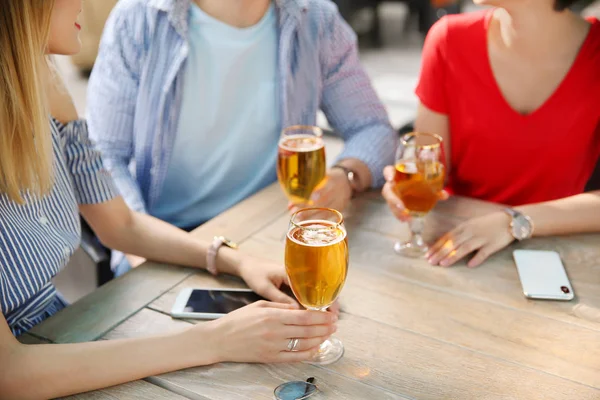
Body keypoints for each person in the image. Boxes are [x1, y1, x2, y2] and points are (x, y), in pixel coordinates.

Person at [0, 2, 338, 398]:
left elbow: (120, 225)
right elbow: (10, 373)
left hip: (61, 338)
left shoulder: (45, 86)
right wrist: (215, 341)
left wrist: (235, 260)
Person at [86, 0, 397, 276]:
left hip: (270, 233)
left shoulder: (315, 19)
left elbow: (373, 127)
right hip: (166, 240)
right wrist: (138, 248)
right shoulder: (139, 18)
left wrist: (345, 175)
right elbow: (103, 157)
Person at [382, 0, 600, 267]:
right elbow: (430, 167)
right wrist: (407, 186)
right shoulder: (449, 39)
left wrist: (513, 221)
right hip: (454, 248)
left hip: (553, 257)